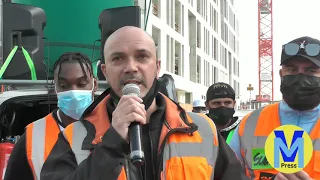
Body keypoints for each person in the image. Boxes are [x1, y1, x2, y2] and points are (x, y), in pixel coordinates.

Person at [40, 26, 249, 180]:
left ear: (157, 67)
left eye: (142, 57)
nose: (131, 67)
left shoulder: (202, 129)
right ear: (104, 71)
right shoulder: (74, 136)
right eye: (118, 59)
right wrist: (112, 146)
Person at [229, 36, 320, 180]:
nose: (300, 78)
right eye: (292, 70)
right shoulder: (250, 123)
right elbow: (227, 174)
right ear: (281, 75)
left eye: (311, 71)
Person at [4, 52, 97, 180]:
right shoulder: (32, 137)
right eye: (64, 86)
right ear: (56, 89)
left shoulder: (113, 128)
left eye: (81, 84)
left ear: (94, 85)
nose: (74, 92)